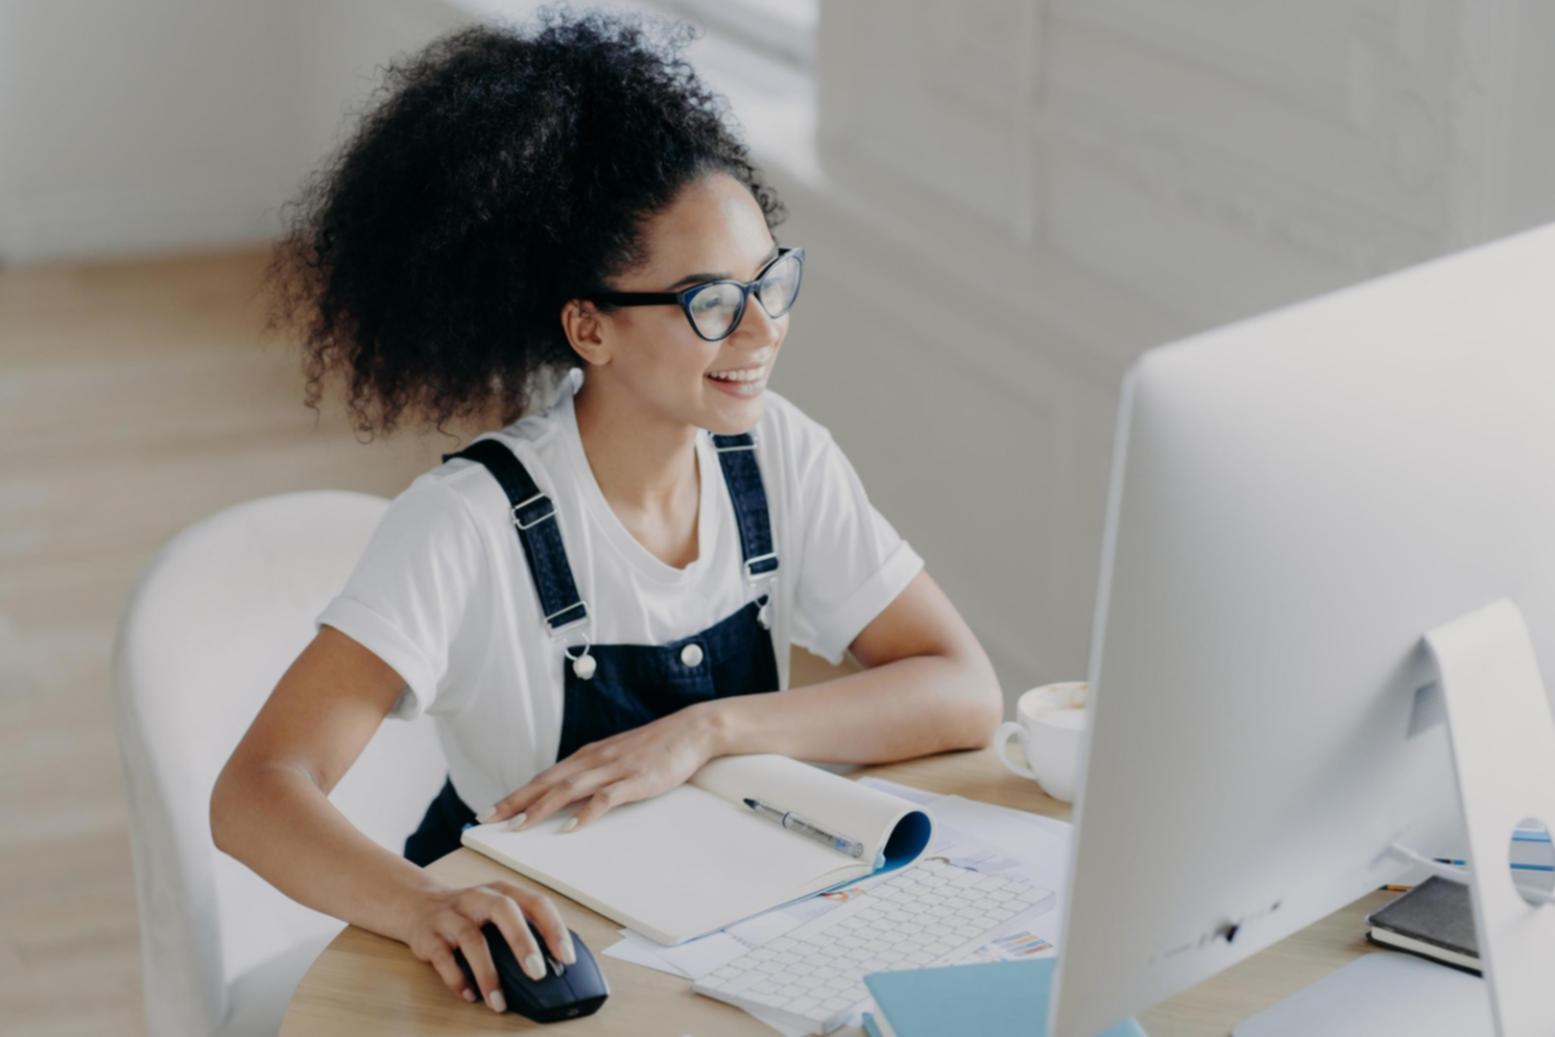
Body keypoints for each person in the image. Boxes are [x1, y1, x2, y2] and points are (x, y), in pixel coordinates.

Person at [210, 7, 1002, 1017]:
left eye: (771, 283)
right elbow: (256, 790)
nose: (760, 329)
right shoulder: (467, 523)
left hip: (720, 926)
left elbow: (961, 688)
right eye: (711, 302)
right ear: (590, 327)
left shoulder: (779, 455)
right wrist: (425, 907)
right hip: (524, 961)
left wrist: (706, 730)